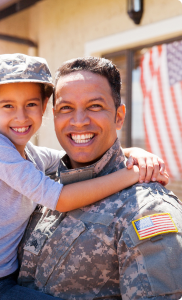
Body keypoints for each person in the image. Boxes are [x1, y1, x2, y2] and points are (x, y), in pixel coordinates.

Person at [0, 54, 168, 300]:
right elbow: (59, 199)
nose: (21, 116)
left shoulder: (30, 155)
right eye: (8, 106)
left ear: (44, 106)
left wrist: (134, 152)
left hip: (0, 278)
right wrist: (131, 174)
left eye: (30, 104)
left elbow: (80, 149)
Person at [18, 56, 182, 299]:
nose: (79, 121)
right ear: (54, 116)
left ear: (118, 116)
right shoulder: (42, 184)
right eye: (66, 108)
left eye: (94, 106)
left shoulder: (147, 209)